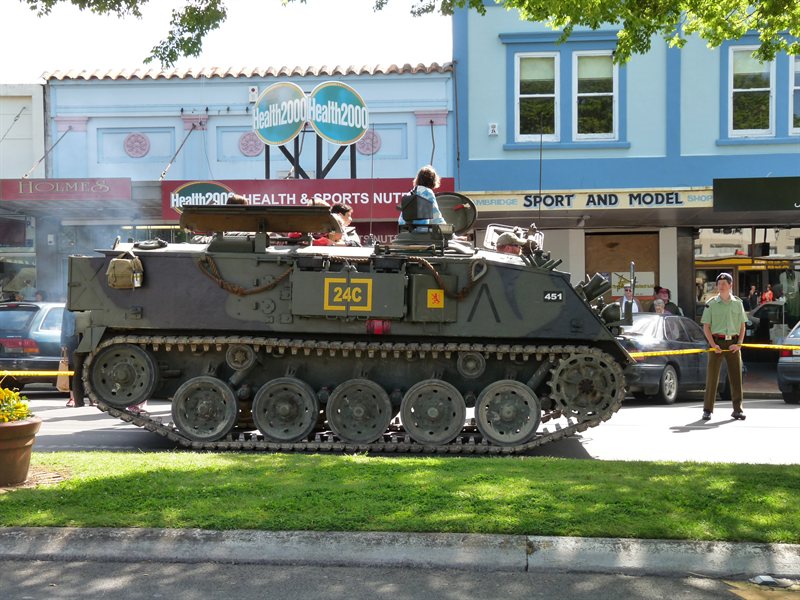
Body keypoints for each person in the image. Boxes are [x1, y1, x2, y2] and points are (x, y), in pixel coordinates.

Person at [700, 272, 748, 421]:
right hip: (717, 343)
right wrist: (713, 345)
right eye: (719, 284)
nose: (720, 286)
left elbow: (742, 326)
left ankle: (737, 410)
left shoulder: (738, 303)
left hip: (733, 343)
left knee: (736, 378)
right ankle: (707, 410)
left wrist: (739, 343)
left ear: (730, 285)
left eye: (724, 284)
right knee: (712, 377)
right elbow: (706, 327)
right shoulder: (711, 303)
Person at [397, 165, 446, 230]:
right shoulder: (427, 192)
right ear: (433, 180)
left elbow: (401, 220)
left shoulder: (409, 194)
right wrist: (451, 233)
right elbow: (437, 218)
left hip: (404, 234)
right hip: (420, 234)